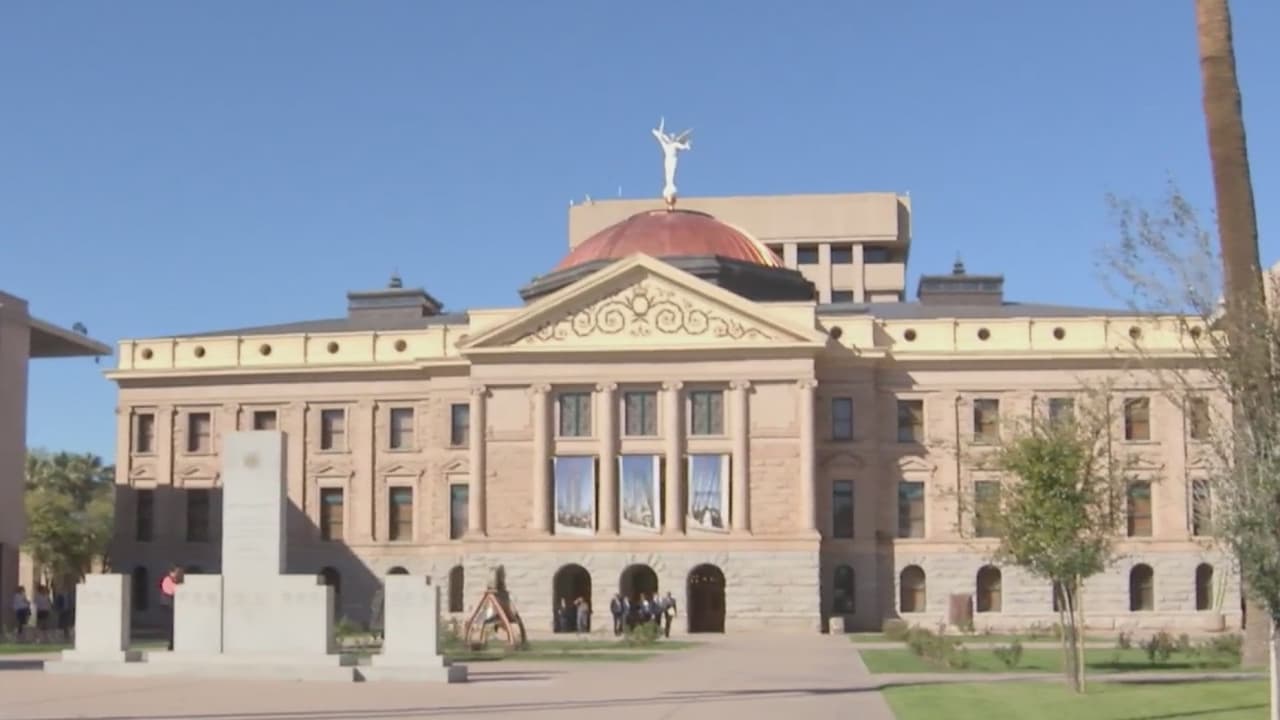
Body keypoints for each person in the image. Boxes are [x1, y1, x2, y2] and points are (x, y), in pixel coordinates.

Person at [159, 566, 184, 650]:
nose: (178, 574)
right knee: (170, 626)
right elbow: (171, 591)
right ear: (171, 573)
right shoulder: (167, 580)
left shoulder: (176, 581)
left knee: (175, 626)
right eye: (177, 572)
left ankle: (173, 643)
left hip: (174, 606)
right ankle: (171, 644)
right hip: (168, 606)